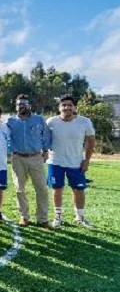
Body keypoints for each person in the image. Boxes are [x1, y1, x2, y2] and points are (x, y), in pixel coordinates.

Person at [47, 95, 96, 229]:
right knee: (57, 189)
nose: (66, 107)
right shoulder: (51, 122)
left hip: (76, 162)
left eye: (70, 105)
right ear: (59, 107)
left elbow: (91, 142)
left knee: (78, 190)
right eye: (63, 105)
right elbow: (44, 139)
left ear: (74, 107)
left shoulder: (85, 122)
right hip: (55, 161)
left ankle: (79, 217)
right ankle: (58, 217)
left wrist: (86, 160)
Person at [7, 94, 52, 228]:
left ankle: (42, 218)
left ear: (29, 106)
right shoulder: (10, 121)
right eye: (20, 104)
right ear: (16, 107)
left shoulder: (39, 119)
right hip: (17, 159)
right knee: (19, 189)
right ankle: (24, 217)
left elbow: (46, 135)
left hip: (36, 158)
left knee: (42, 189)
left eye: (25, 104)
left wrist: (45, 150)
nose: (22, 106)